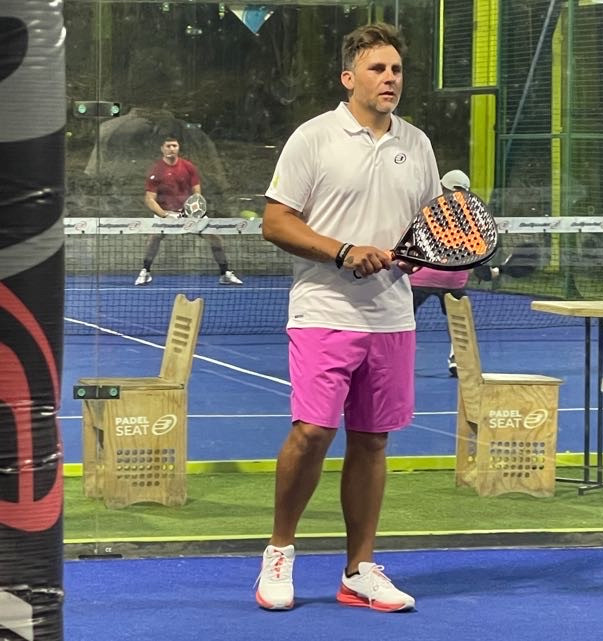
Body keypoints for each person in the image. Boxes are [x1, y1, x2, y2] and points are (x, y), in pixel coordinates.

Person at [256, 23, 440, 612]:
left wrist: (417, 257)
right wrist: (342, 251)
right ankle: (279, 552)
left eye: (397, 70)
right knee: (313, 431)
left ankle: (359, 570)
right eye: (377, 69)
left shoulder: (418, 144)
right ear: (348, 77)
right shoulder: (313, 138)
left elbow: (430, 229)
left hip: (392, 317)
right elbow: (276, 221)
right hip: (324, 310)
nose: (390, 79)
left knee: (372, 440)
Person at [134, 136, 243, 286]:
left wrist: (191, 213)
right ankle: (145, 271)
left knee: (215, 238)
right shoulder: (156, 170)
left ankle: (225, 274)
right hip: (166, 213)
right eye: (168, 146)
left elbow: (197, 195)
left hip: (189, 213)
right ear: (162, 149)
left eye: (174, 146)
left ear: (178, 148)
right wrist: (165, 215)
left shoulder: (188, 167)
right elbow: (149, 199)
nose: (172, 149)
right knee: (154, 238)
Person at [410, 169, 471, 378]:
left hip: (420, 277)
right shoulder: (472, 215)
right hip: (454, 280)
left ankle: (400, 359)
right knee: (459, 322)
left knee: (404, 319)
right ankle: (458, 360)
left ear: (442, 186)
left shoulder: (426, 209)